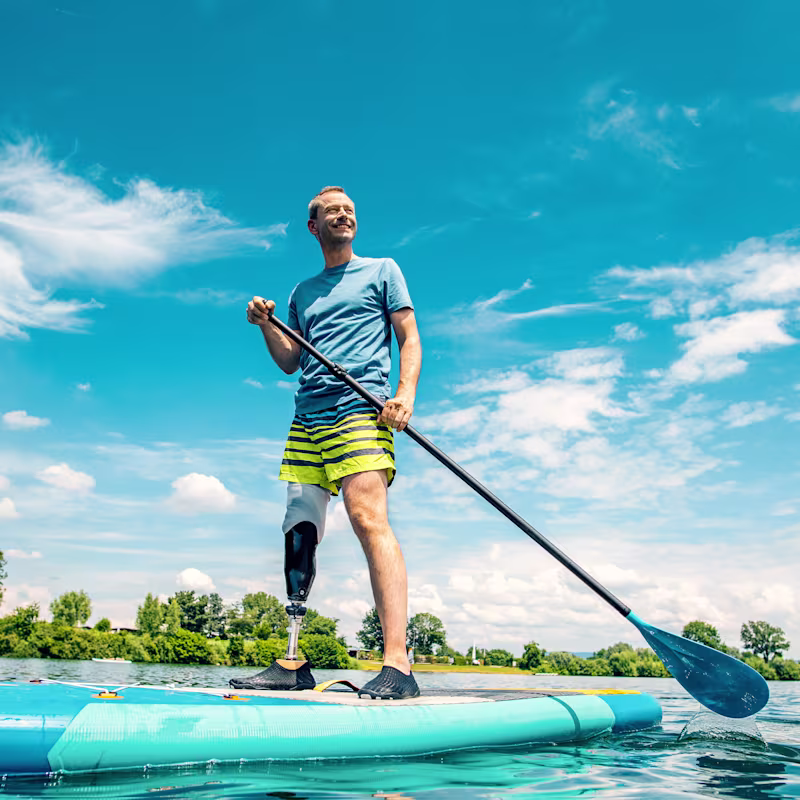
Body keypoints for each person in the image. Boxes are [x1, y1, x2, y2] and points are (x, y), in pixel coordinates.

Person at [230, 186, 422, 699]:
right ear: (313, 227)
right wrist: (267, 324)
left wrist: (404, 395)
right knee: (299, 527)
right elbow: (290, 359)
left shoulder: (383, 271)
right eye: (332, 211)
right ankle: (293, 662)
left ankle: (398, 667)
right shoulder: (301, 292)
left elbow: (409, 336)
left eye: (350, 210)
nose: (343, 215)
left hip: (362, 408)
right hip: (307, 416)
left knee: (367, 518)